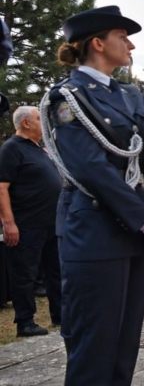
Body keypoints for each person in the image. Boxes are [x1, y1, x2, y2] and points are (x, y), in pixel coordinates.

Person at [44, 6, 144, 385]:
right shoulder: (68, 97)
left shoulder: (129, 95)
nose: (130, 44)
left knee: (125, 342)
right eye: (121, 36)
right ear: (98, 43)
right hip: (96, 229)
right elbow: (90, 168)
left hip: (133, 229)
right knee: (94, 346)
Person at [0, 106, 62, 337]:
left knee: (55, 272)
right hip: (26, 224)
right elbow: (1, 187)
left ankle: (60, 314)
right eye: (39, 118)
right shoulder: (11, 149)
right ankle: (25, 322)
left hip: (51, 224)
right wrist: (8, 223)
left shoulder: (40, 150)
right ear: (26, 123)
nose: (43, 122)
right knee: (24, 275)